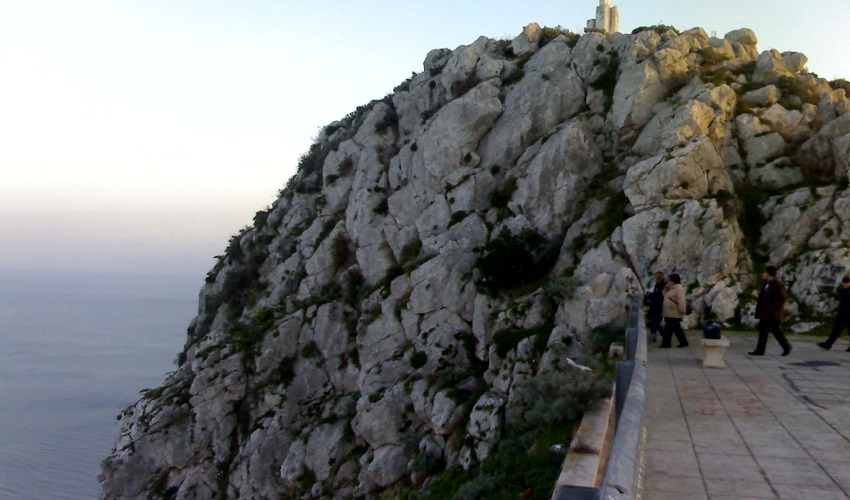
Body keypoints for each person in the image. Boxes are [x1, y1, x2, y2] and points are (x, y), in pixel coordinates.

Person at [749, 265, 792, 356]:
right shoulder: (766, 283)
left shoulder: (777, 285)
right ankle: (760, 350)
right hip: (765, 313)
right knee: (763, 331)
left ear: (768, 273)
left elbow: (781, 299)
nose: (763, 274)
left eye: (764, 272)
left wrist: (771, 309)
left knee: (776, 331)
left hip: (773, 314)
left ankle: (786, 346)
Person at [817, 276, 850, 351]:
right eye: (844, 283)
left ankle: (828, 344)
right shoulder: (842, 290)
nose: (846, 284)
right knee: (836, 329)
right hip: (842, 313)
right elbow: (839, 294)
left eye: (847, 283)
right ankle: (828, 344)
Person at [659, 273, 688, 348]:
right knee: (672, 329)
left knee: (673, 329)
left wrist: (682, 310)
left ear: (673, 280)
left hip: (674, 313)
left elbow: (681, 301)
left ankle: (667, 343)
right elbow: (664, 295)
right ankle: (669, 343)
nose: (668, 281)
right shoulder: (670, 288)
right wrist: (666, 287)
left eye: (670, 280)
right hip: (669, 313)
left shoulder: (679, 289)